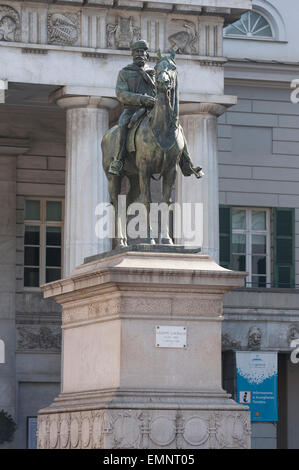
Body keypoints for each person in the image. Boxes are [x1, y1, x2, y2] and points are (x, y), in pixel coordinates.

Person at [108, 39, 202, 178]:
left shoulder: (154, 72)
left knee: (177, 127)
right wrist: (141, 99)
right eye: (136, 52)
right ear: (132, 55)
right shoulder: (125, 73)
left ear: (147, 55)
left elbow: (160, 90)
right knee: (122, 126)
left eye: (142, 51)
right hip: (132, 110)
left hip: (152, 110)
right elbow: (121, 94)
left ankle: (186, 163)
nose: (139, 54)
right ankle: (118, 159)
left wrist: (157, 99)